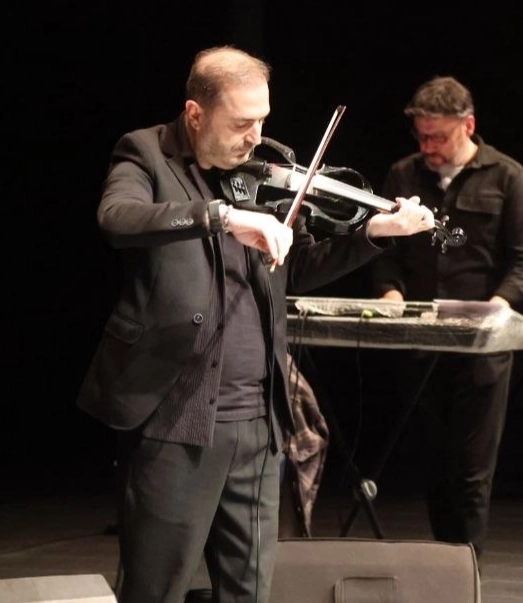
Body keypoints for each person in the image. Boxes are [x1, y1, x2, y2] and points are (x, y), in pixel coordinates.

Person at [76, 45, 437, 603]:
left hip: (259, 423)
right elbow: (117, 218)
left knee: (249, 590)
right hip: (176, 419)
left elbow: (297, 267)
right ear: (196, 113)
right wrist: (221, 217)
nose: (255, 137)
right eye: (241, 123)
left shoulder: (259, 176)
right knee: (155, 588)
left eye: (262, 120)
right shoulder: (145, 153)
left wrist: (372, 235)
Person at [371, 75, 523, 561]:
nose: (428, 147)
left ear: (468, 126)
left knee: (470, 473)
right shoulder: (402, 174)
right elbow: (383, 251)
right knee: (434, 467)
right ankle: (446, 569)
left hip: (480, 351)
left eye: (438, 137)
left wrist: (499, 305)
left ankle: (465, 573)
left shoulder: (507, 175)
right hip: (421, 345)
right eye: (421, 136)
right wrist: (390, 292)